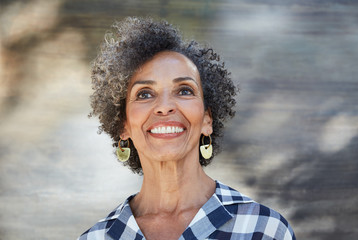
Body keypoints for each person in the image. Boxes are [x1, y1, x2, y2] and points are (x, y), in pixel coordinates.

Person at [78, 17, 296, 240]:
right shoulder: (97, 238)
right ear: (122, 125)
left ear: (206, 120)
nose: (164, 107)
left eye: (184, 90)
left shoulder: (265, 230)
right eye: (144, 94)